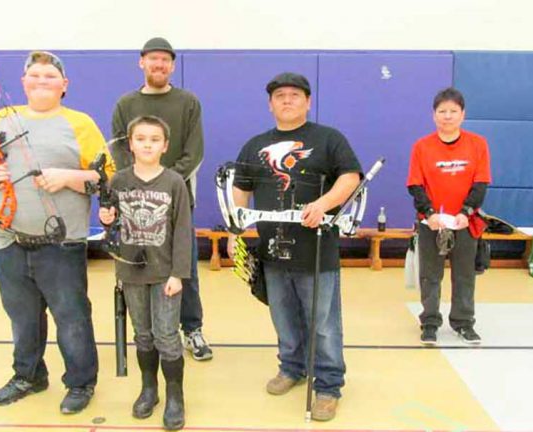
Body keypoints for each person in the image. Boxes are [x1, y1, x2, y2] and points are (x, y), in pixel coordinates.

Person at [0, 51, 114, 414]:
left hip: (61, 244)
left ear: (65, 85)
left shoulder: (80, 124)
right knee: (22, 316)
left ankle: (80, 382)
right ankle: (28, 376)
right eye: (35, 75)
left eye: (50, 76)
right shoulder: (2, 117)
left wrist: (70, 177)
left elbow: (107, 176)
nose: (42, 81)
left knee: (72, 318)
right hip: (9, 240)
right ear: (23, 82)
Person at [226, 72, 362, 421]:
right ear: (270, 103)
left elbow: (350, 177)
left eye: (295, 95)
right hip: (271, 250)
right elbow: (240, 188)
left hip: (316, 250)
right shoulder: (254, 145)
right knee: (283, 317)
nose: (287, 100)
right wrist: (235, 230)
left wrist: (324, 204)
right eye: (280, 95)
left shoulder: (329, 139)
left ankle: (329, 386)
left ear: (308, 102)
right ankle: (292, 367)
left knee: (323, 323)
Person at [111, 37, 212, 361]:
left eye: (165, 60)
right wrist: (138, 185)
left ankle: (192, 329)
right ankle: (149, 334)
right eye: (153, 59)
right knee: (140, 268)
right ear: (142, 62)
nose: (159, 65)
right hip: (134, 205)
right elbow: (118, 149)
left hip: (177, 201)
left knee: (184, 269)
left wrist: (164, 183)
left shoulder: (188, 102)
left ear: (172, 66)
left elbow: (193, 153)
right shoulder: (125, 104)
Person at [99, 115, 192, 430]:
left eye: (154, 139)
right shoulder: (119, 181)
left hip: (165, 273)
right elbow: (111, 225)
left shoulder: (174, 182)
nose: (147, 144)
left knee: (167, 335)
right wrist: (106, 218)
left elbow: (182, 231)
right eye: (141, 139)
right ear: (131, 144)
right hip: (131, 272)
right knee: (143, 335)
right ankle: (149, 389)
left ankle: (175, 395)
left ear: (164, 146)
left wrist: (179, 273)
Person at [406, 87, 492, 346]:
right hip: (431, 223)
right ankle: (430, 322)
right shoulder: (422, 147)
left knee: (464, 274)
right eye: (442, 111)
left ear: (462, 114)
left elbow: (481, 183)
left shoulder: (478, 144)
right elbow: (415, 185)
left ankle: (463, 322)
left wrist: (466, 212)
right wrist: (430, 214)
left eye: (453, 111)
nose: (447, 116)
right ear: (434, 115)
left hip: (465, 223)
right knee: (430, 275)